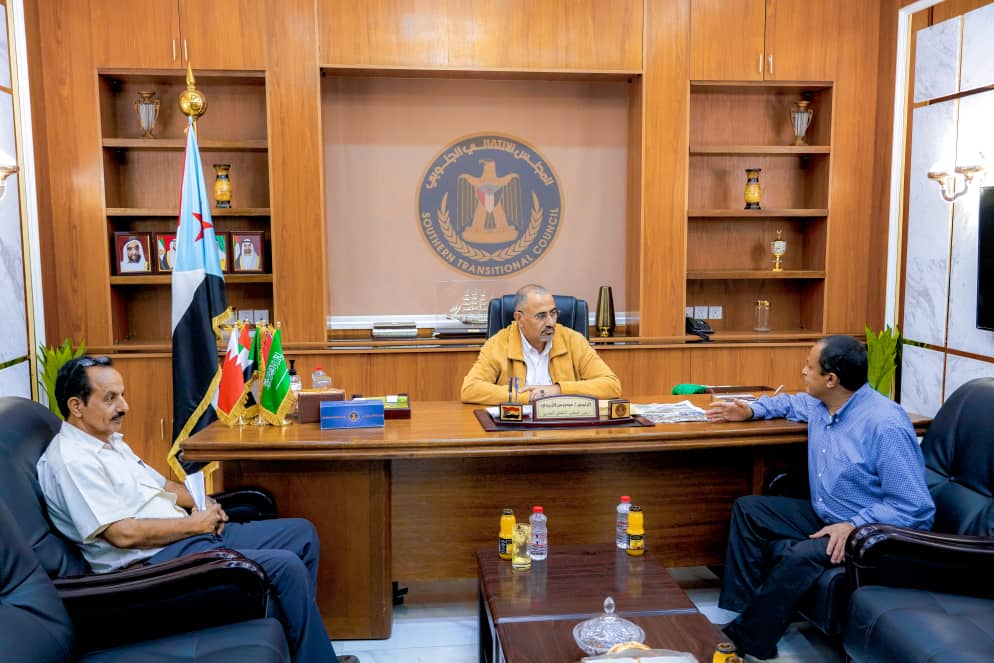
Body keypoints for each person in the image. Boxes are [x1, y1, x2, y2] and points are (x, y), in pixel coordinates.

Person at [36, 356, 357, 663]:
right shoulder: (72, 461)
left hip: (185, 535)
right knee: (286, 566)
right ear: (76, 406)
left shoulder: (109, 441)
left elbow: (163, 485)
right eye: (110, 398)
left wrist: (204, 504)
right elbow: (123, 534)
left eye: (122, 395)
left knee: (301, 534)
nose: (124, 407)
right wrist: (195, 525)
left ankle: (301, 651)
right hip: (154, 562)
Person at [705, 335, 934, 659]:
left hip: (869, 531)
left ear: (831, 379)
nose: (802, 372)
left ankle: (749, 640)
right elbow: (788, 403)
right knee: (750, 510)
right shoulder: (822, 403)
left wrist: (855, 525)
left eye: (809, 367)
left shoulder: (885, 424)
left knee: (799, 555)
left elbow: (915, 507)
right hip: (828, 513)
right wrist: (751, 409)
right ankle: (746, 614)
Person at [461, 284, 621, 405]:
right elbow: (470, 389)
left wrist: (557, 390)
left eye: (553, 313)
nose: (550, 322)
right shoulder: (499, 343)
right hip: (516, 430)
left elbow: (611, 385)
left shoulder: (573, 340)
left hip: (564, 428)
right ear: (519, 318)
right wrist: (529, 396)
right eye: (541, 316)